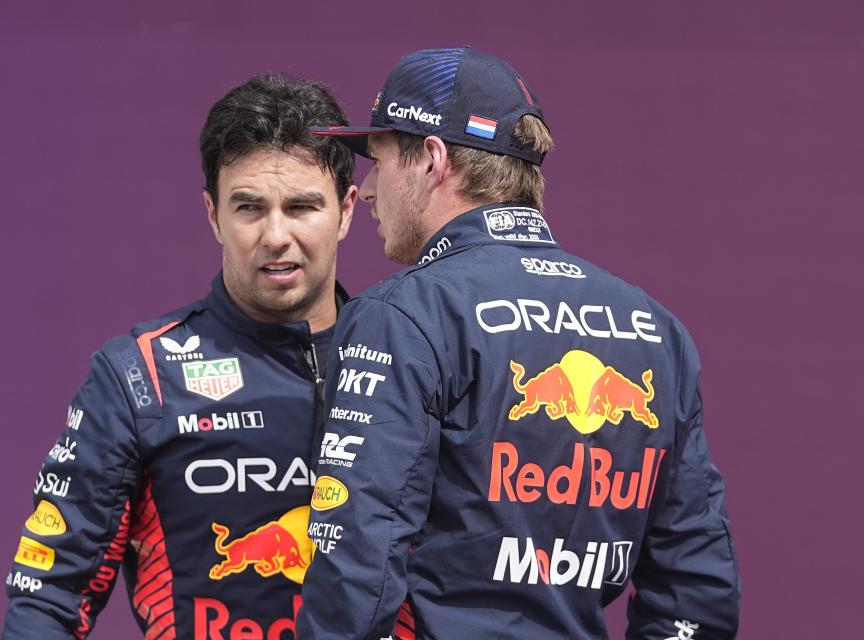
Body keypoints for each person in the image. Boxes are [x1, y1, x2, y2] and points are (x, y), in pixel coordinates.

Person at [299, 46, 741, 639]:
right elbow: (696, 590)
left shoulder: (403, 314)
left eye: (378, 160)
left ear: (431, 159)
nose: (371, 188)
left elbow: (357, 563)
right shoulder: (657, 330)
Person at [2, 73, 357, 639]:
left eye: (301, 206)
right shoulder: (139, 377)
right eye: (248, 207)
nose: (275, 235)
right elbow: (47, 597)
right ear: (213, 215)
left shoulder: (409, 362)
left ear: (346, 210)